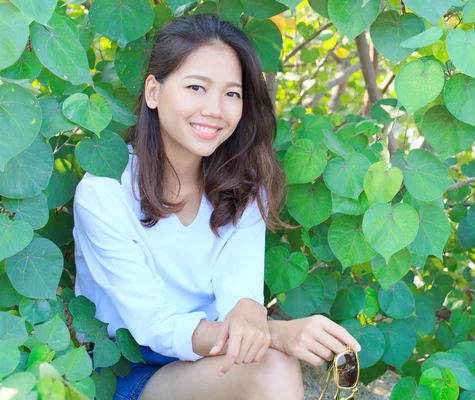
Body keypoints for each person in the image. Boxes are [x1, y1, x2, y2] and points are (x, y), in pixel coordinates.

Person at [72, 14, 361, 400]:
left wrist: (249, 312)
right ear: (153, 92)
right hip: (125, 367)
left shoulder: (243, 181)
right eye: (196, 87)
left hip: (209, 357)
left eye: (232, 93)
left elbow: (238, 295)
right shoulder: (104, 191)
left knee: (273, 366)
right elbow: (152, 325)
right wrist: (276, 332)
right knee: (273, 362)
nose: (215, 109)